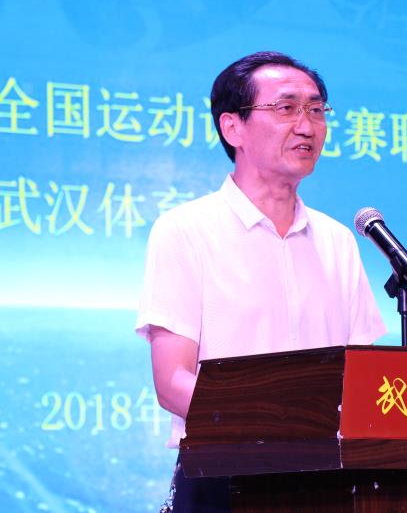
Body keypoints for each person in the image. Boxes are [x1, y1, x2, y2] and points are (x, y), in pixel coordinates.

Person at [135, 51, 387, 511]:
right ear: (233, 127)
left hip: (328, 479)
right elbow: (172, 380)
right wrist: (276, 429)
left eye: (316, 110)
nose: (307, 126)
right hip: (224, 475)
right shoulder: (186, 230)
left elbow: (363, 375)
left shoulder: (337, 240)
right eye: (287, 108)